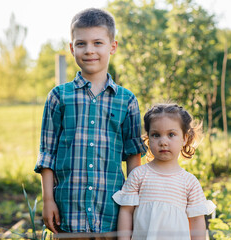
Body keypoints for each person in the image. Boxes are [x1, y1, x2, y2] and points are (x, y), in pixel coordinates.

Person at [34, 8, 147, 239]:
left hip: (112, 213)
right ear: (71, 48)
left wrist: (133, 206)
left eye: (98, 43)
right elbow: (47, 154)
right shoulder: (59, 97)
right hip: (68, 213)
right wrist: (48, 200)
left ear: (112, 47)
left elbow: (133, 157)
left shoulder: (127, 100)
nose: (90, 50)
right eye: (81, 44)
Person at [113, 103, 216, 240]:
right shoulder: (139, 175)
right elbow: (126, 212)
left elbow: (197, 222)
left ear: (184, 138)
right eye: (156, 135)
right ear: (148, 138)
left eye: (171, 134)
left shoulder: (190, 182)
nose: (163, 142)